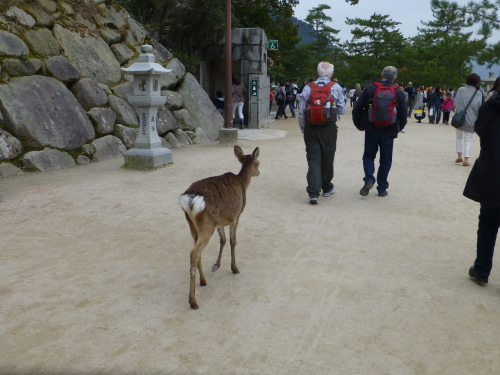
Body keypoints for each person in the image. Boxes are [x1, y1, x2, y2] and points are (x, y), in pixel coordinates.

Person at [463, 84, 500, 286]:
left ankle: (482, 269)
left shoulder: (489, 106)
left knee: (488, 222)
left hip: (493, 169)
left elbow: (480, 130)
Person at [352, 66, 408, 197]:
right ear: (395, 78)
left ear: (381, 75)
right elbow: (403, 113)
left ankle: (369, 179)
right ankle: (382, 188)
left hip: (371, 128)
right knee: (386, 159)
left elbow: (357, 108)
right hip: (389, 129)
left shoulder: (370, 88)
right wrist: (399, 127)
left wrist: (359, 124)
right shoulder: (397, 92)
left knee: (368, 156)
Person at [298, 61, 346, 204]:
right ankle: (326, 187)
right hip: (328, 127)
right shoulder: (336, 87)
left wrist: (303, 128)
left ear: (317, 73)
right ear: (332, 74)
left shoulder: (308, 88)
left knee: (313, 159)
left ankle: (313, 193)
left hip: (311, 128)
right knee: (327, 157)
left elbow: (301, 112)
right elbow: (342, 110)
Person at [454, 73, 483, 166]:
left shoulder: (460, 90)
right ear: (477, 82)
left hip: (460, 117)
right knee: (468, 139)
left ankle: (459, 156)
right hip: (472, 119)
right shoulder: (478, 93)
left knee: (459, 137)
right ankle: (466, 159)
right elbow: (479, 108)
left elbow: (455, 103)